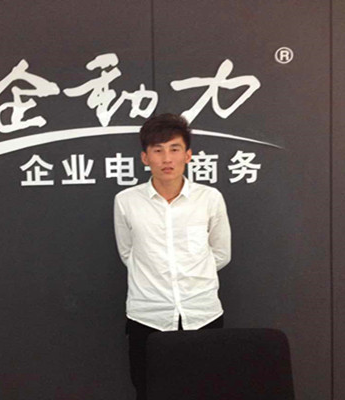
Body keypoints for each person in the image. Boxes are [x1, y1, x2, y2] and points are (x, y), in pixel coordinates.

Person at [113, 113, 231, 400]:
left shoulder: (209, 198)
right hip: (148, 317)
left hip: (201, 314)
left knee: (204, 391)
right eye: (158, 150)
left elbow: (220, 253)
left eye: (174, 149)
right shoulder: (126, 201)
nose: (167, 158)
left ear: (188, 155)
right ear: (145, 157)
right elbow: (128, 253)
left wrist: (192, 276)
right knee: (150, 390)